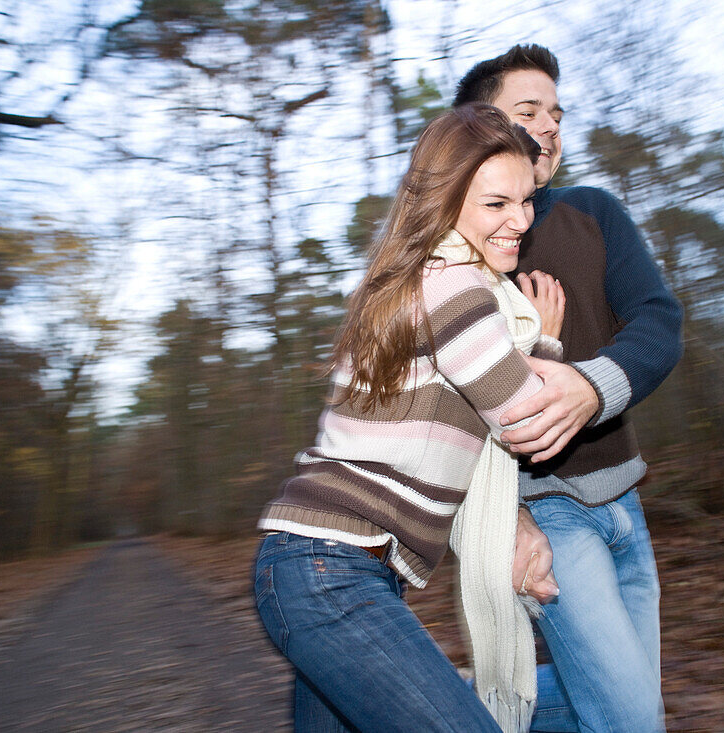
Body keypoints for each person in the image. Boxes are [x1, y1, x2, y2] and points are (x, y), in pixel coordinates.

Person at [254, 104, 576, 733]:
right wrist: (546, 346)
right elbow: (527, 420)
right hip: (331, 574)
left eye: (526, 199)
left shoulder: (417, 279)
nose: (520, 221)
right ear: (446, 201)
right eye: (495, 205)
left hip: (321, 568)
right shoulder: (455, 287)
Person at [454, 45, 684, 732]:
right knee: (630, 720)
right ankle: (412, 702)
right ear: (476, 126)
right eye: (529, 111)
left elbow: (658, 321)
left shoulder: (594, 212)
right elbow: (450, 411)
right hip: (547, 518)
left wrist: (591, 386)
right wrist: (503, 521)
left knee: (620, 713)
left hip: (628, 508)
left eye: (557, 112)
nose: (551, 125)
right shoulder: (461, 252)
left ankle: (477, 700)